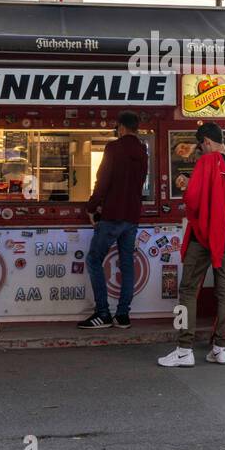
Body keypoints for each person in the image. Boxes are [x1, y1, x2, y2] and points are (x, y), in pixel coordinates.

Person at [158, 122, 225, 367]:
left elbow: (194, 201)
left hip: (203, 236)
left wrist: (187, 186)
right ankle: (221, 348)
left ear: (207, 141)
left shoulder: (207, 162)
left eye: (201, 145)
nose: (201, 149)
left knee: (188, 289)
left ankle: (184, 349)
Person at [78, 110, 148, 330]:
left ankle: (102, 313)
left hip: (112, 215)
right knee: (127, 264)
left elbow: (102, 180)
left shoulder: (113, 148)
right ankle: (123, 315)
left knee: (93, 260)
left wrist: (91, 207)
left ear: (121, 127)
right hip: (132, 216)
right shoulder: (142, 150)